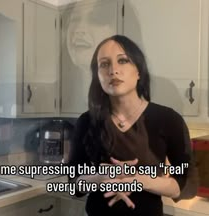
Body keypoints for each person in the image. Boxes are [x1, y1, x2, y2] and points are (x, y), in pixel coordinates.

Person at [68, 35, 198, 216]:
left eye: (122, 61)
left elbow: (188, 184)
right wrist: (102, 177)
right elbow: (74, 183)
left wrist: (139, 180)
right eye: (104, 64)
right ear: (97, 76)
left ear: (138, 71)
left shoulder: (168, 119)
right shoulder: (86, 122)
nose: (113, 70)